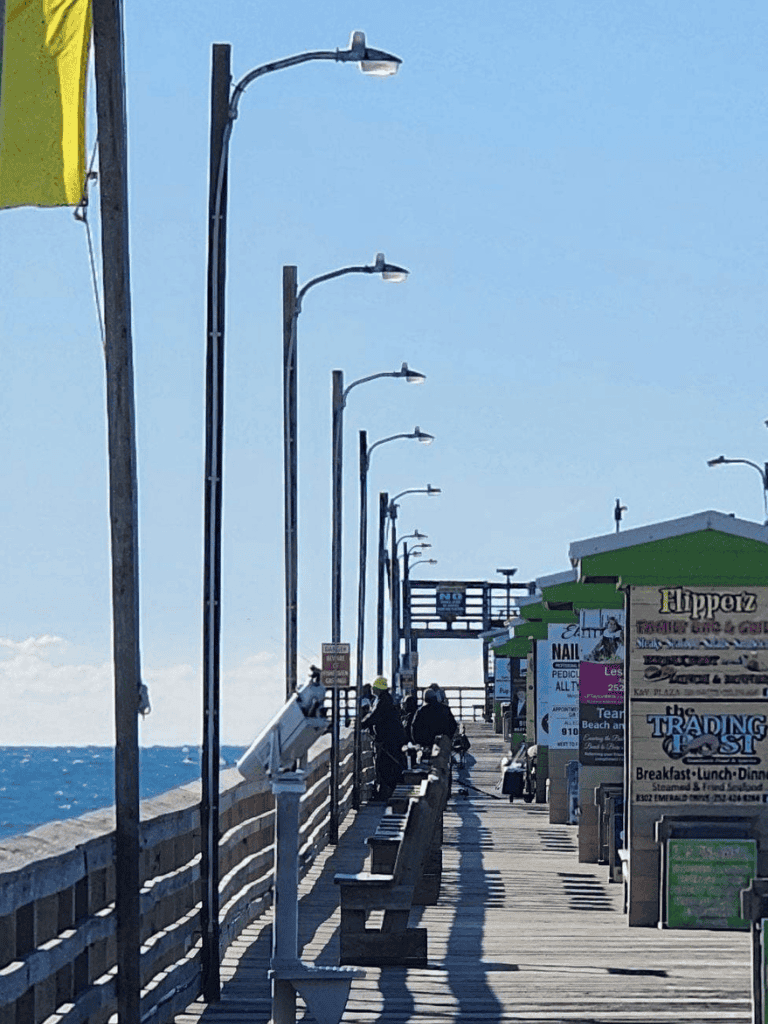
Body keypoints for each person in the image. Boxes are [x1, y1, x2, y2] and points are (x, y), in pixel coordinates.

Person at [360, 677, 407, 801]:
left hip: (389, 739)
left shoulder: (383, 701)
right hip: (392, 737)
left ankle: (386, 793)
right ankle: (386, 791)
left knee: (384, 765)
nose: (372, 689)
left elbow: (374, 716)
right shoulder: (385, 699)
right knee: (387, 765)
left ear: (378, 688)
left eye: (374, 687)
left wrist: (361, 724)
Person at [411, 687, 458, 752]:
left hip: (426, 743)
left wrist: (418, 742)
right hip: (443, 742)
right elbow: (453, 725)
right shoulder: (445, 709)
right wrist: (449, 737)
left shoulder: (421, 711)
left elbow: (414, 728)